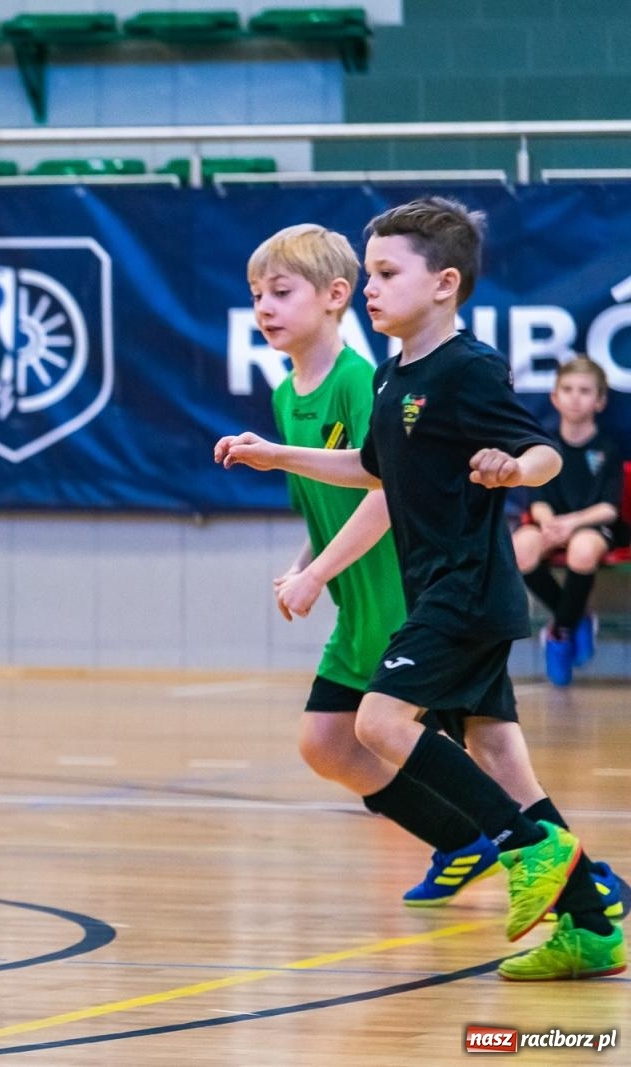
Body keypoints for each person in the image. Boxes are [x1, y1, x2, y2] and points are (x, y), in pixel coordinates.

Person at [216, 197, 625, 980]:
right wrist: (280, 455)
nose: (369, 287)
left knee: (377, 721)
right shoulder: (397, 373)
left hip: (462, 589)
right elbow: (373, 469)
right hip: (446, 586)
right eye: (367, 273)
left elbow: (537, 450)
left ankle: (522, 845)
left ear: (443, 283)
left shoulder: (467, 367)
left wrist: (514, 469)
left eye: (385, 273)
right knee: (500, 754)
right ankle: (590, 919)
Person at [244, 223, 500, 907]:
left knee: (486, 748)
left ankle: (567, 871)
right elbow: (322, 503)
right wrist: (304, 563)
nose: (264, 307)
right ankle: (463, 838)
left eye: (280, 291)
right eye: (256, 295)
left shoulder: (364, 383)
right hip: (355, 605)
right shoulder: (284, 395)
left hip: (402, 596)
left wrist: (317, 572)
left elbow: (388, 493)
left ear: (335, 297)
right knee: (326, 742)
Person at [513, 355, 628, 686]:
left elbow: (609, 508)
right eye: (568, 389)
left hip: (593, 526)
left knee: (581, 549)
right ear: (554, 397)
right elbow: (537, 500)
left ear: (600, 400)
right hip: (552, 522)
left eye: (584, 390)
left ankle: (560, 631)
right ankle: (578, 617)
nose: (575, 397)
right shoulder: (544, 444)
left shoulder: (607, 447)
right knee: (522, 547)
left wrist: (570, 524)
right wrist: (550, 524)